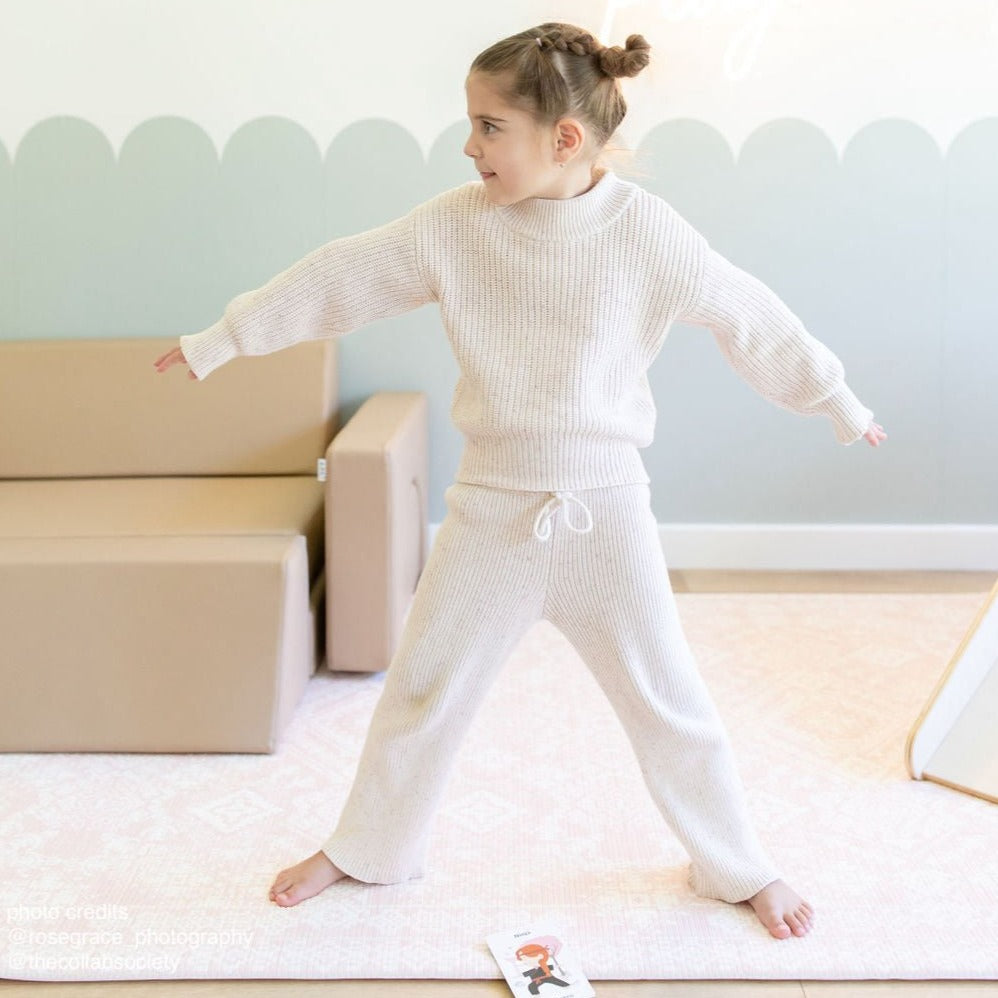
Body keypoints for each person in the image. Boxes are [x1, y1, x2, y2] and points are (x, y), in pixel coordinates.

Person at [155, 22, 887, 940]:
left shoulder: (647, 234)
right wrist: (227, 337)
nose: (469, 147)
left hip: (606, 511)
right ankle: (369, 847)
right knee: (424, 687)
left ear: (564, 140)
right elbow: (345, 273)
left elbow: (750, 314)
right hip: (492, 512)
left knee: (669, 700)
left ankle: (737, 864)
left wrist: (836, 399)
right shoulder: (454, 227)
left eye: (488, 127)